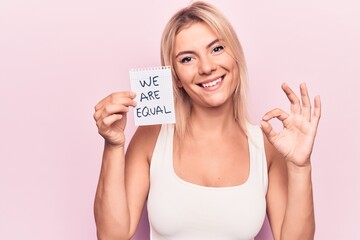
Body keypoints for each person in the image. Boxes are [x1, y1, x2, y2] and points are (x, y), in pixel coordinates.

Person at [93, 1, 321, 240]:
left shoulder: (266, 146)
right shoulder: (152, 136)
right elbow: (112, 235)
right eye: (187, 59)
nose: (207, 67)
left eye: (217, 49)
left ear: (235, 56)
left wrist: (299, 167)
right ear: (176, 78)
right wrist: (113, 145)